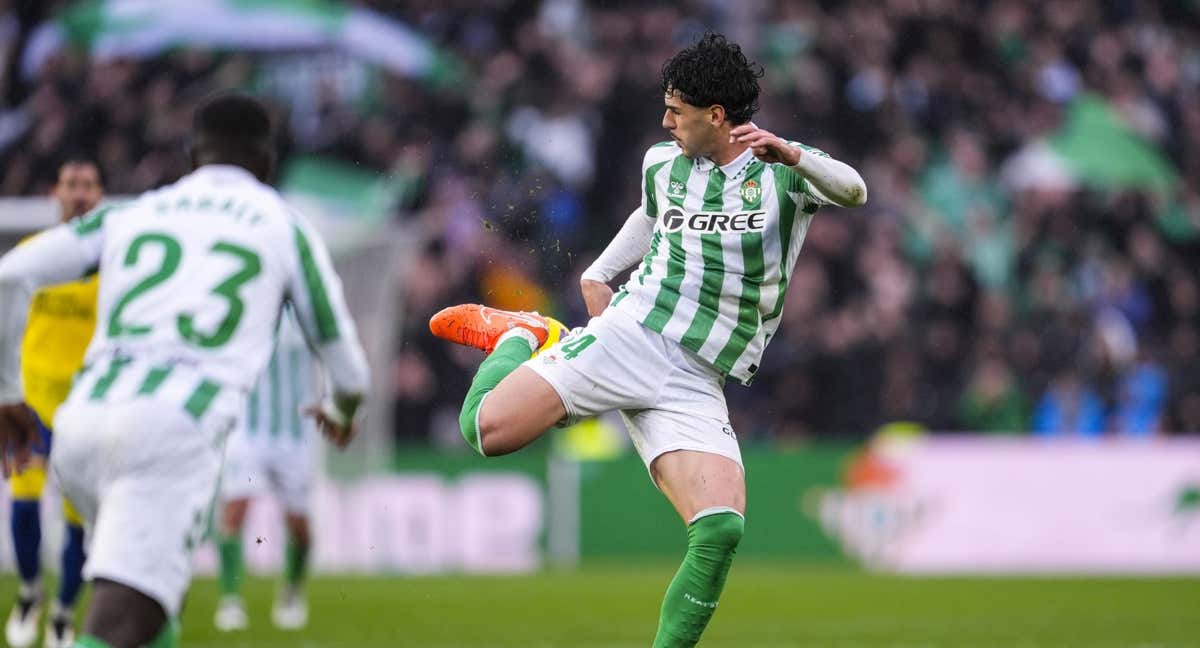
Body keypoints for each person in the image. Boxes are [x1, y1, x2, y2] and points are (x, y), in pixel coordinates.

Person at [430, 33, 866, 647]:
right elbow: (650, 215)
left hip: (697, 376)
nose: (666, 121)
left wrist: (792, 155)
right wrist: (595, 273)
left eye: (677, 110)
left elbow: (854, 190)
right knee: (485, 433)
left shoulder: (782, 172)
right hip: (633, 332)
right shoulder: (663, 162)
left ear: (717, 116)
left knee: (719, 530)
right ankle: (523, 334)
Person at [0, 93, 369, 648]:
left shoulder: (132, 211)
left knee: (154, 610)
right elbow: (350, 371)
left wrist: (7, 394)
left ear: (194, 156)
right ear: (267, 161)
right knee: (122, 619)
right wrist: (341, 411)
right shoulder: (284, 227)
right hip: (170, 433)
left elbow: (9, 275)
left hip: (82, 421)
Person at [5, 157, 104, 648]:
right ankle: (29, 595)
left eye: (88, 185)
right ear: (55, 193)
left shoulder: (114, 262)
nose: (80, 193)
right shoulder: (31, 256)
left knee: (77, 520)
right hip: (34, 403)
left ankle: (64, 612)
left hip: (86, 409)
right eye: (72, 185)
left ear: (101, 195)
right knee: (23, 503)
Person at [213, 307, 319, 632]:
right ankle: (230, 600)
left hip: (295, 434)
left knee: (299, 525)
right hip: (249, 430)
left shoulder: (306, 312)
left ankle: (291, 592)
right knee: (235, 509)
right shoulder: (248, 305)